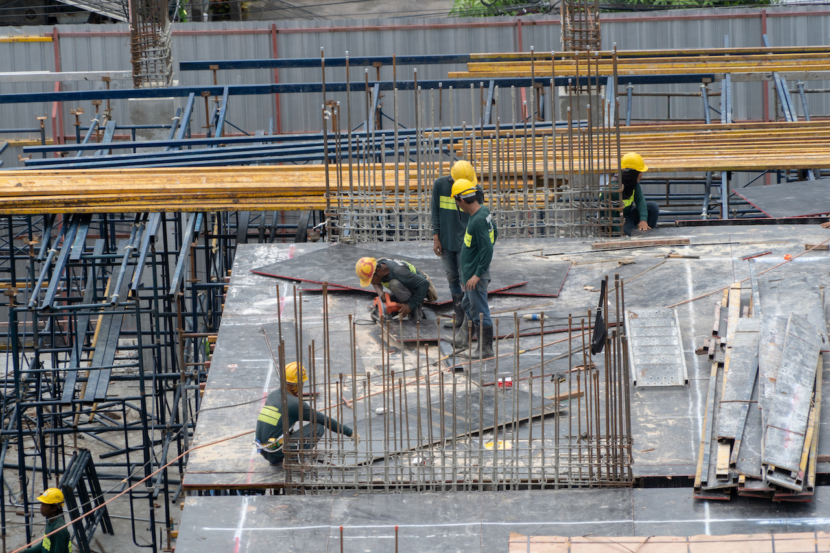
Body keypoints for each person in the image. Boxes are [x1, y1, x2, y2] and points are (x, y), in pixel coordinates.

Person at [255, 362, 355, 465]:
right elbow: (324, 420)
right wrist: (350, 432)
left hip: (265, 450)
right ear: (299, 384)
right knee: (318, 427)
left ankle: (286, 453)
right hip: (276, 453)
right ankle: (291, 458)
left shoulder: (273, 394)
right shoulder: (294, 404)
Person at [450, 178, 497, 359]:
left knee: (479, 311)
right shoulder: (482, 212)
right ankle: (463, 339)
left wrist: (478, 273)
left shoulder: (477, 220)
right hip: (471, 274)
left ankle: (485, 349)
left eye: (456, 200)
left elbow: (488, 247)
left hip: (476, 275)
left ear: (461, 200)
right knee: (468, 305)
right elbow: (495, 233)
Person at [431, 160, 474, 328]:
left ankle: (469, 319)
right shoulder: (440, 185)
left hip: (466, 244)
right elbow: (435, 211)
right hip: (446, 241)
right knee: (452, 279)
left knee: (467, 280)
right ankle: (459, 316)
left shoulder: (474, 188)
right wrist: (436, 237)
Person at [355, 257, 438, 320]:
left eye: (371, 280)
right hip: (405, 288)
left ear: (379, 271)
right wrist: (381, 293)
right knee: (390, 303)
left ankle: (415, 312)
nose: (371, 283)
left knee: (394, 284)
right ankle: (401, 309)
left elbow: (424, 284)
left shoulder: (399, 272)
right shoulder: (378, 266)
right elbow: (376, 283)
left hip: (419, 289)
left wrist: (410, 306)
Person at [603, 152, 659, 236]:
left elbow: (640, 201)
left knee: (652, 207)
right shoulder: (613, 189)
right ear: (633, 174)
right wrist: (620, 234)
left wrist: (643, 220)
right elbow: (610, 218)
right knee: (631, 235)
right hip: (613, 220)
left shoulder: (633, 184)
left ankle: (648, 233)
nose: (642, 174)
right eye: (640, 172)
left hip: (626, 216)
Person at [21, 488, 72, 553]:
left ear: (54, 508)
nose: (41, 507)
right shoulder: (50, 522)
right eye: (41, 504)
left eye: (44, 505)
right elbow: (43, 545)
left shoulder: (59, 530)